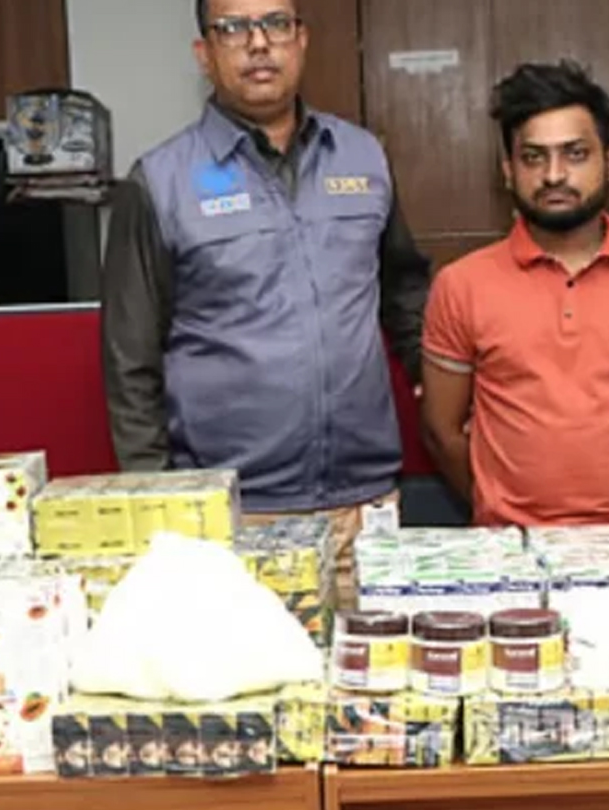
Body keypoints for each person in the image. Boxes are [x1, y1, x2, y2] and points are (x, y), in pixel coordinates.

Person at [103, 0, 430, 608]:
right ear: (204, 54)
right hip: (232, 520)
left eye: (276, 24)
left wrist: (430, 380)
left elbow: (405, 287)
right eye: (234, 28)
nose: (259, 43)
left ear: (301, 39)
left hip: (364, 513)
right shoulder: (160, 181)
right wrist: (162, 507)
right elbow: (130, 359)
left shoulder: (363, 158)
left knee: (368, 669)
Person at [421, 62, 609, 526]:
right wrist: (501, 508)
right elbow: (443, 431)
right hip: (510, 546)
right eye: (533, 157)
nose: (554, 175)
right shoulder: (461, 285)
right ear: (508, 171)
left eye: (575, 154)